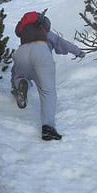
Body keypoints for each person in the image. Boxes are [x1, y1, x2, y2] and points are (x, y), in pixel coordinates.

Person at [11, 10, 84, 141]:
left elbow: (14, 71)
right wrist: (78, 52)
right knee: (47, 92)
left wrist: (14, 86)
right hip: (42, 53)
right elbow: (63, 44)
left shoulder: (25, 35)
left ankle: (22, 84)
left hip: (21, 52)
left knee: (18, 75)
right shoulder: (46, 33)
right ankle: (48, 128)